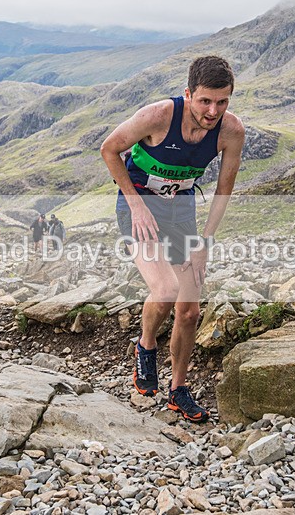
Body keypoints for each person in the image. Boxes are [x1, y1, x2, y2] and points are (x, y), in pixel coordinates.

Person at [100, 55, 245, 422]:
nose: (213, 111)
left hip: (181, 213)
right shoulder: (159, 116)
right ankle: (146, 345)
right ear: (188, 94)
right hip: (139, 208)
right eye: (205, 101)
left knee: (190, 309)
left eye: (222, 101)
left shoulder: (231, 131)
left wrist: (204, 246)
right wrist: (136, 204)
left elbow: (223, 190)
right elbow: (109, 149)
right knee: (164, 291)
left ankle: (178, 390)